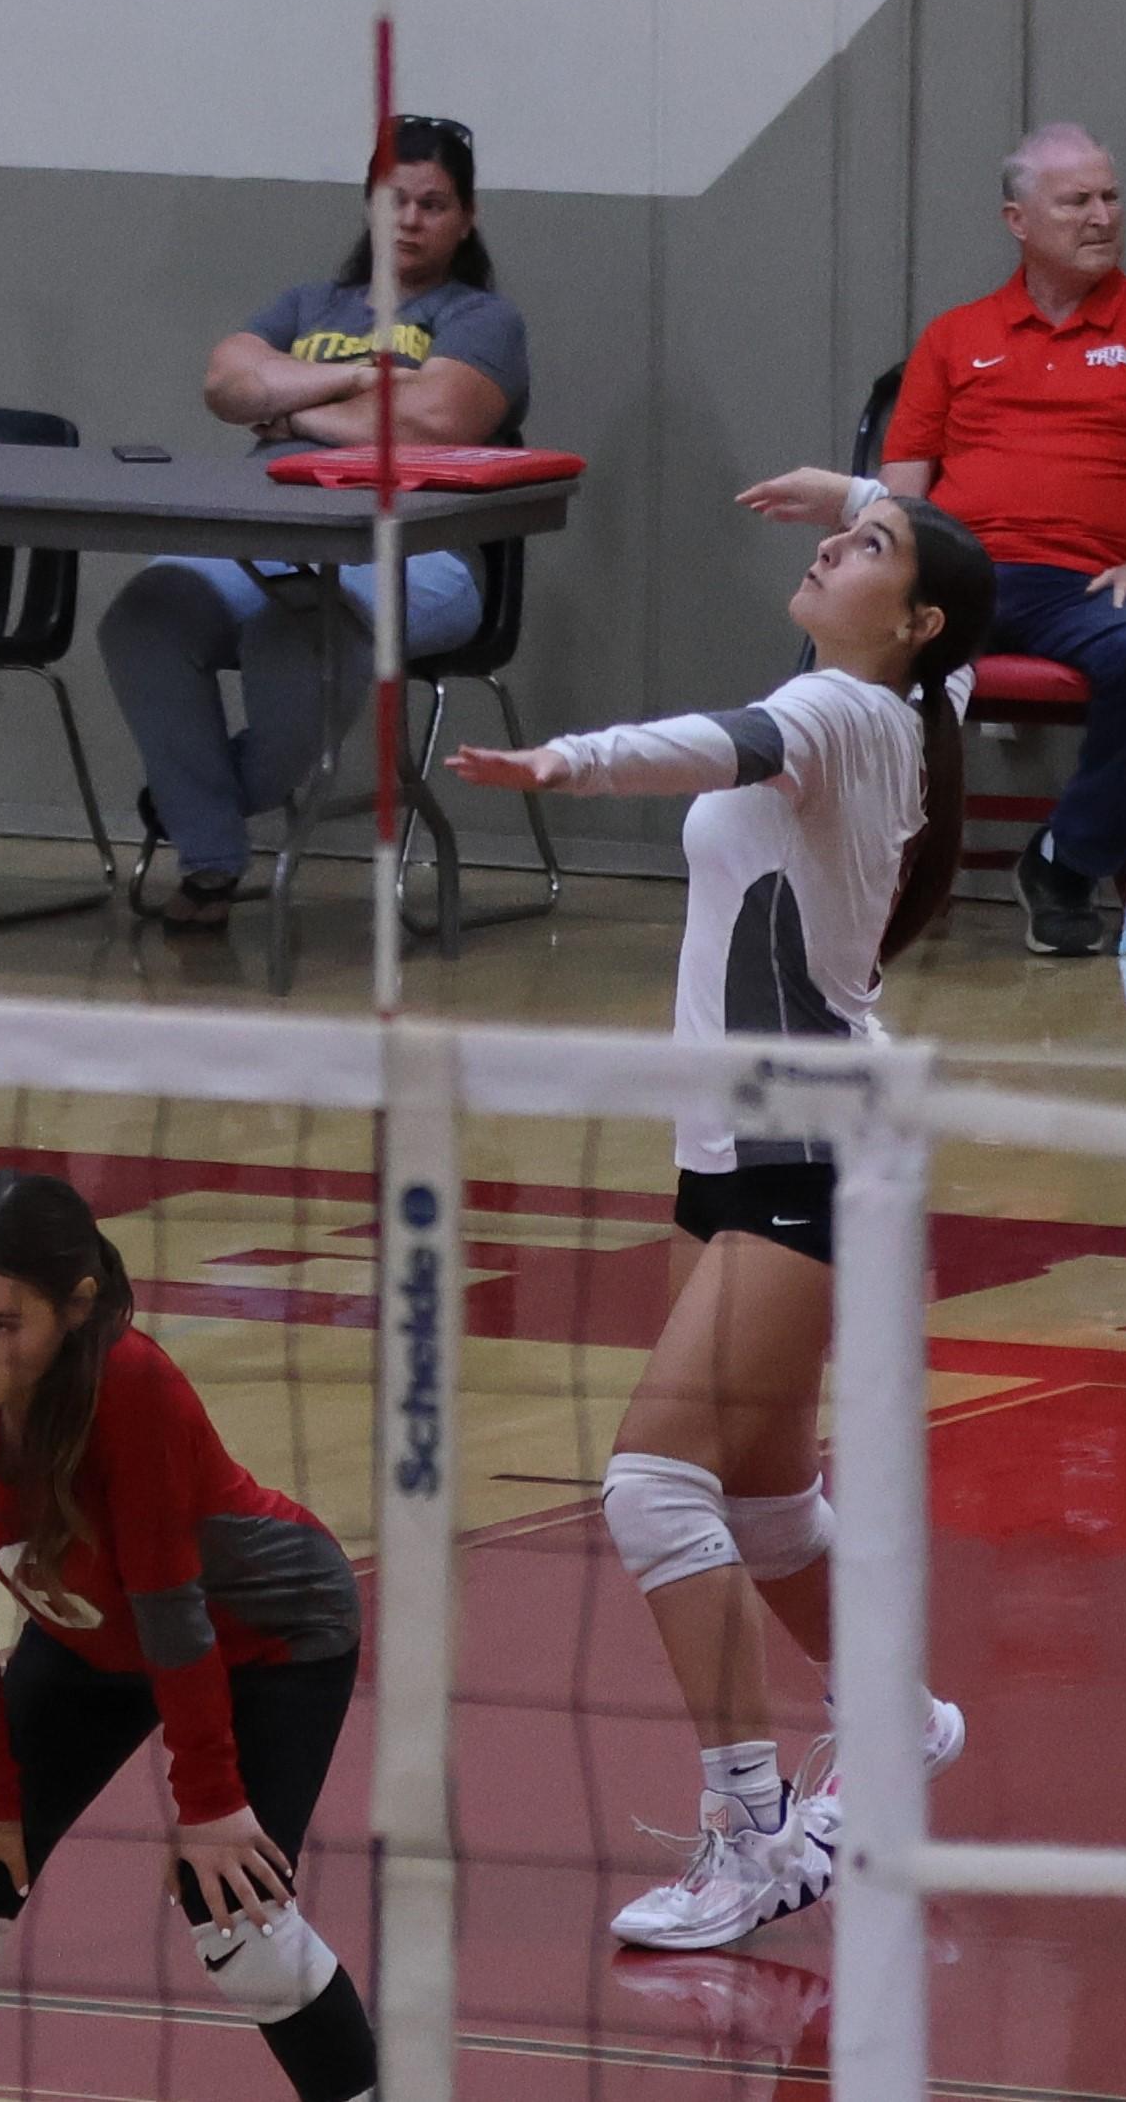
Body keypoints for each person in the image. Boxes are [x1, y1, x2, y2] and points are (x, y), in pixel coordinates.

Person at [448, 492, 996, 1950]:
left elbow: (718, 744)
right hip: (732, 1138)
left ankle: (752, 1838)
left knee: (651, 1486)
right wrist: (860, 498)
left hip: (805, 1143)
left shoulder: (840, 713)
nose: (831, 552)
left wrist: (564, 760)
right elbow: (937, 616)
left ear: (915, 623)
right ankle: (898, 1726)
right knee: (756, 1503)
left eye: (867, 551)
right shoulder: (911, 693)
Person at [0, 1171, 374, 2102]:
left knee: (235, 1923)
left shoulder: (133, 1385)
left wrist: (208, 1804)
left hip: (265, 1637)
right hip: (90, 1637)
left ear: (76, 1308)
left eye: (0, 1324)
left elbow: (174, 1611)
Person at [745, 126, 1126, 956]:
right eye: (1076, 202)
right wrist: (876, 566)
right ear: (1018, 221)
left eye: (1110, 197)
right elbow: (903, 495)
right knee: (845, 643)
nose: (1102, 217)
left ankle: (1065, 863)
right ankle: (817, 863)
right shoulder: (955, 337)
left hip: (1096, 587)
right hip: (959, 576)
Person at [99, 113, 530, 930]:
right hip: (265, 535)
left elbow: (434, 421)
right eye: (394, 200)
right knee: (145, 617)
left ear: (465, 219)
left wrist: (293, 406)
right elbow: (227, 385)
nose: (409, 219)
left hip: (417, 552)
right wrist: (364, 390)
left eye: (433, 204)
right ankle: (214, 857)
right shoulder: (309, 301)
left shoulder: (482, 320)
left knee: (295, 630)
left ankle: (208, 823)